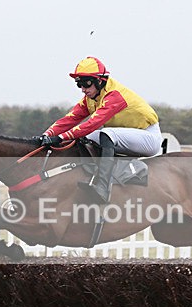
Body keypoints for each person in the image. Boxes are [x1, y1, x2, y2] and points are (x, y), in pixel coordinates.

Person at [37, 56, 162, 203]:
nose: (83, 89)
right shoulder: (91, 98)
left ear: (100, 81)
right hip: (127, 135)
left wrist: (60, 137)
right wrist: (46, 135)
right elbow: (70, 119)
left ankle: (103, 187)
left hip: (149, 137)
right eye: (79, 84)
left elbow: (92, 124)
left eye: (86, 83)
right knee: (83, 139)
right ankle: (88, 176)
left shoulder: (115, 96)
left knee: (105, 134)